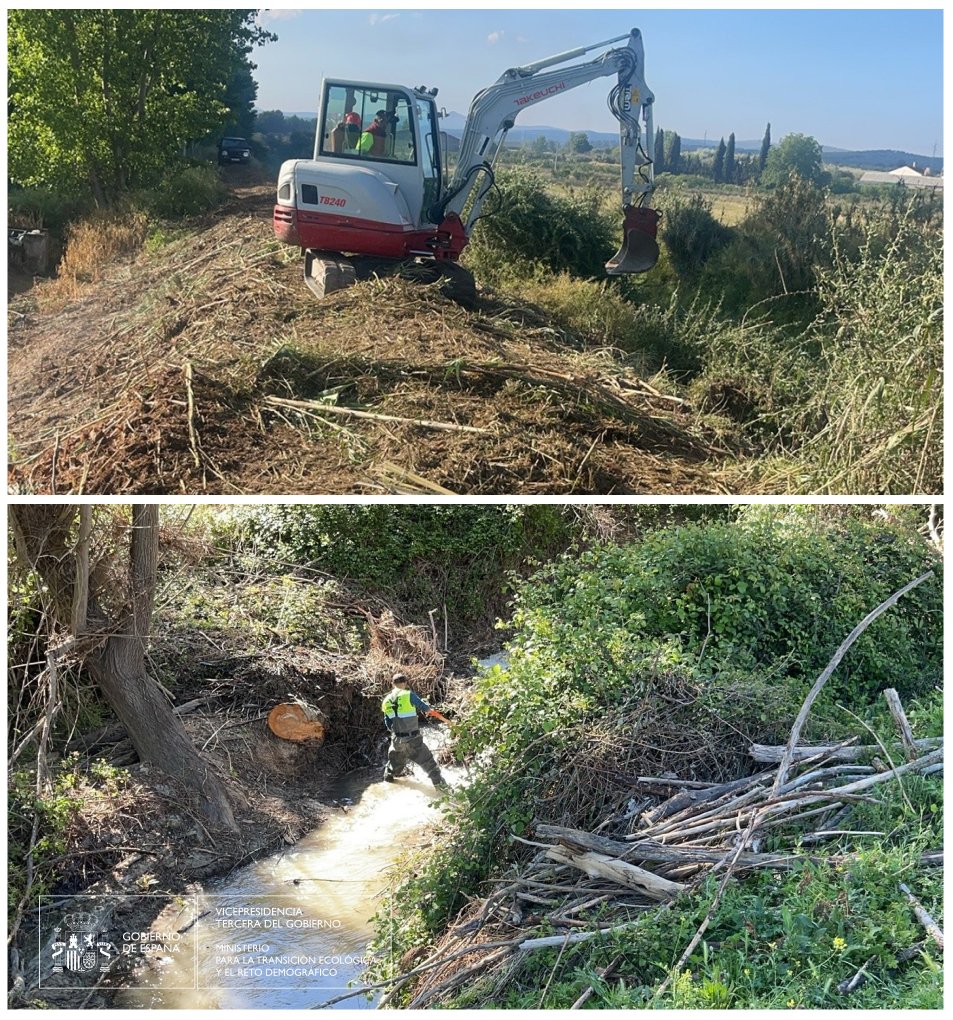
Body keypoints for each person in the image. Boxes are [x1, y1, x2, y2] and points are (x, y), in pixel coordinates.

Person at [381, 672, 449, 789]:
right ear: (405, 683)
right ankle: (444, 791)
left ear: (393, 684)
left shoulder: (386, 701)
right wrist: (444, 720)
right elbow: (426, 709)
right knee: (430, 766)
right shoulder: (408, 695)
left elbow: (388, 724)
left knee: (393, 767)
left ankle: (386, 785)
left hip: (397, 741)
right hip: (413, 740)